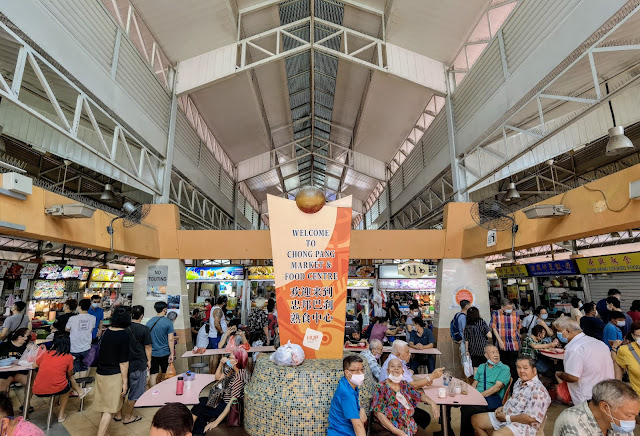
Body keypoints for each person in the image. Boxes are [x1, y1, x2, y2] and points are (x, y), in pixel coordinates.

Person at [471, 356, 551, 436]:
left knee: (497, 435)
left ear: (534, 370)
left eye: (525, 368)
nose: (521, 371)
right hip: (508, 416)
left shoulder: (539, 390)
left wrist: (506, 418)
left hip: (525, 426)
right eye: (519, 367)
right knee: (475, 419)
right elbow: (514, 400)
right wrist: (502, 408)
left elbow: (531, 418)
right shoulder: (519, 382)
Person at [452, 345, 512, 436]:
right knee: (456, 403)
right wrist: (468, 393)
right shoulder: (481, 367)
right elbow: (474, 384)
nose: (496, 355)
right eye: (492, 352)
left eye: (497, 352)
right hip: (478, 398)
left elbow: (496, 388)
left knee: (467, 409)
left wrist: (478, 396)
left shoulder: (504, 368)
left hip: (492, 400)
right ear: (486, 356)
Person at [553, 317, 614, 405]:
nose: (557, 334)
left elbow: (573, 377)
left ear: (567, 331)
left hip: (587, 396)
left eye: (558, 331)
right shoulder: (599, 343)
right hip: (607, 392)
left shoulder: (574, 348)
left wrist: (560, 374)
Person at [370, 358, 440, 436]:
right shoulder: (381, 387)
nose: (396, 368)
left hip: (408, 426)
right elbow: (378, 413)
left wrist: (432, 403)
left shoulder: (404, 385)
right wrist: (396, 431)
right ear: (387, 371)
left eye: (399, 366)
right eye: (392, 366)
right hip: (388, 428)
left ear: (403, 372)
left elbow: (419, 395)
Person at [32, 335, 91, 423]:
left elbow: (34, 365)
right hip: (57, 388)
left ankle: (79, 391)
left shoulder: (46, 354)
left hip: (37, 389)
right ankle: (61, 415)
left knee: (62, 382)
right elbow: (70, 373)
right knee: (66, 385)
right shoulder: (68, 357)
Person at [191, 348, 251, 434]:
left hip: (229, 408)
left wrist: (216, 422)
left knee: (200, 408)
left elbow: (232, 402)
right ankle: (195, 432)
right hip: (222, 401)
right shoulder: (234, 370)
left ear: (236, 361)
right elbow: (217, 377)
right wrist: (221, 363)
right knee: (201, 402)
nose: (228, 359)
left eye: (230, 357)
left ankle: (191, 431)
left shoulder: (240, 377)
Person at [553, 379, 639, 435]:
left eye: (635, 415)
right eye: (629, 415)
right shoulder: (573, 422)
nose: (632, 421)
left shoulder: (618, 423)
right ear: (605, 407)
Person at [94, 306, 131, 436]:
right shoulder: (123, 335)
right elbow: (123, 362)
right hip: (113, 375)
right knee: (110, 409)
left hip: (100, 373)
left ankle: (106, 434)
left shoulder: (107, 332)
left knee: (104, 406)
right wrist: (125, 382)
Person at [114, 305, 151, 425]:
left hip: (123, 364)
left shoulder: (123, 328)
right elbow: (148, 347)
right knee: (135, 392)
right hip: (138, 364)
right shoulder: (144, 329)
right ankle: (128, 416)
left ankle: (118, 414)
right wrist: (149, 361)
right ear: (142, 316)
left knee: (122, 390)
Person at [327, 355, 368, 436]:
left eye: (362, 370)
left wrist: (362, 409)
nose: (361, 374)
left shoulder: (347, 383)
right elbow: (358, 425)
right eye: (356, 371)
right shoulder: (347, 394)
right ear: (347, 372)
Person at [379, 340, 444, 390]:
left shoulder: (396, 359)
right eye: (407, 352)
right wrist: (432, 376)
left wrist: (425, 380)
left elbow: (410, 376)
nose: (410, 354)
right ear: (399, 355)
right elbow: (412, 385)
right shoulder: (395, 365)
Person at [0, 329, 33, 412]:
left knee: (31, 383)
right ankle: (3, 408)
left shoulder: (28, 347)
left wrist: (33, 349)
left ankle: (26, 404)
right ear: (17, 336)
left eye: (28, 336)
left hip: (20, 372)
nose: (26, 338)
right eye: (23, 335)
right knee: (2, 386)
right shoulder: (4, 346)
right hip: (5, 373)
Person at [146, 301, 175, 387]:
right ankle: (164, 390)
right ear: (165, 309)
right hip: (165, 352)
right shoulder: (168, 322)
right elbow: (170, 339)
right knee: (165, 372)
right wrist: (172, 353)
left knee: (153, 374)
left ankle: (152, 393)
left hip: (153, 353)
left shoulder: (149, 322)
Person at [491, 299, 521, 380]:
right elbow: (493, 328)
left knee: (513, 366)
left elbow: (518, 328)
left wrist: (517, 336)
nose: (510, 310)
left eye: (511, 308)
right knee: (503, 365)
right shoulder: (496, 314)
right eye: (508, 308)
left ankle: (513, 387)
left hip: (513, 344)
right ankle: (504, 385)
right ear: (502, 307)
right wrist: (500, 341)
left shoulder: (516, 314)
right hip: (502, 344)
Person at [66, 298, 96, 379]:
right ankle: (82, 388)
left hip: (74, 347)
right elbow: (92, 328)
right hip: (86, 346)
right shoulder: (93, 318)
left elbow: (67, 329)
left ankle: (77, 389)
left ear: (79, 307)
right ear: (89, 307)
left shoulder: (72, 318)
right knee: (84, 367)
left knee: (75, 368)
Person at [464, 306, 492, 370]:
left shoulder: (467, 325)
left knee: (475, 367)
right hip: (483, 348)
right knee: (486, 366)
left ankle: (476, 380)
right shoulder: (482, 322)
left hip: (473, 349)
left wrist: (466, 350)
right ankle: (485, 379)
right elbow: (489, 335)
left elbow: (466, 339)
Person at [209, 296, 228, 372]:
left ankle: (211, 373)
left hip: (212, 335)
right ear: (224, 303)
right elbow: (216, 323)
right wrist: (221, 332)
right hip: (216, 335)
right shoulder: (218, 310)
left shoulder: (214, 308)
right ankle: (213, 374)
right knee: (216, 355)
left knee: (213, 355)